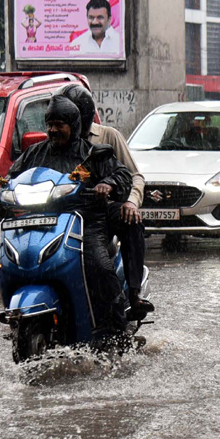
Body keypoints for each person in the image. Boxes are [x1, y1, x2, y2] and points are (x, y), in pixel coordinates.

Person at [0, 95, 132, 344]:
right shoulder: (34, 153)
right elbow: (12, 178)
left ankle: (117, 333)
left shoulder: (90, 153)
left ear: (73, 125)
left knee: (99, 266)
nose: (53, 130)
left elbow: (123, 174)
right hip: (39, 222)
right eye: (50, 124)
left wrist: (107, 184)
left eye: (59, 124)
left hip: (85, 222)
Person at [60, 83, 154, 321]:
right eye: (55, 122)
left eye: (66, 119)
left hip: (103, 214)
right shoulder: (52, 144)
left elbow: (133, 176)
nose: (57, 127)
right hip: (64, 216)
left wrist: (131, 202)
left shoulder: (108, 137)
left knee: (130, 223)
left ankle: (133, 295)